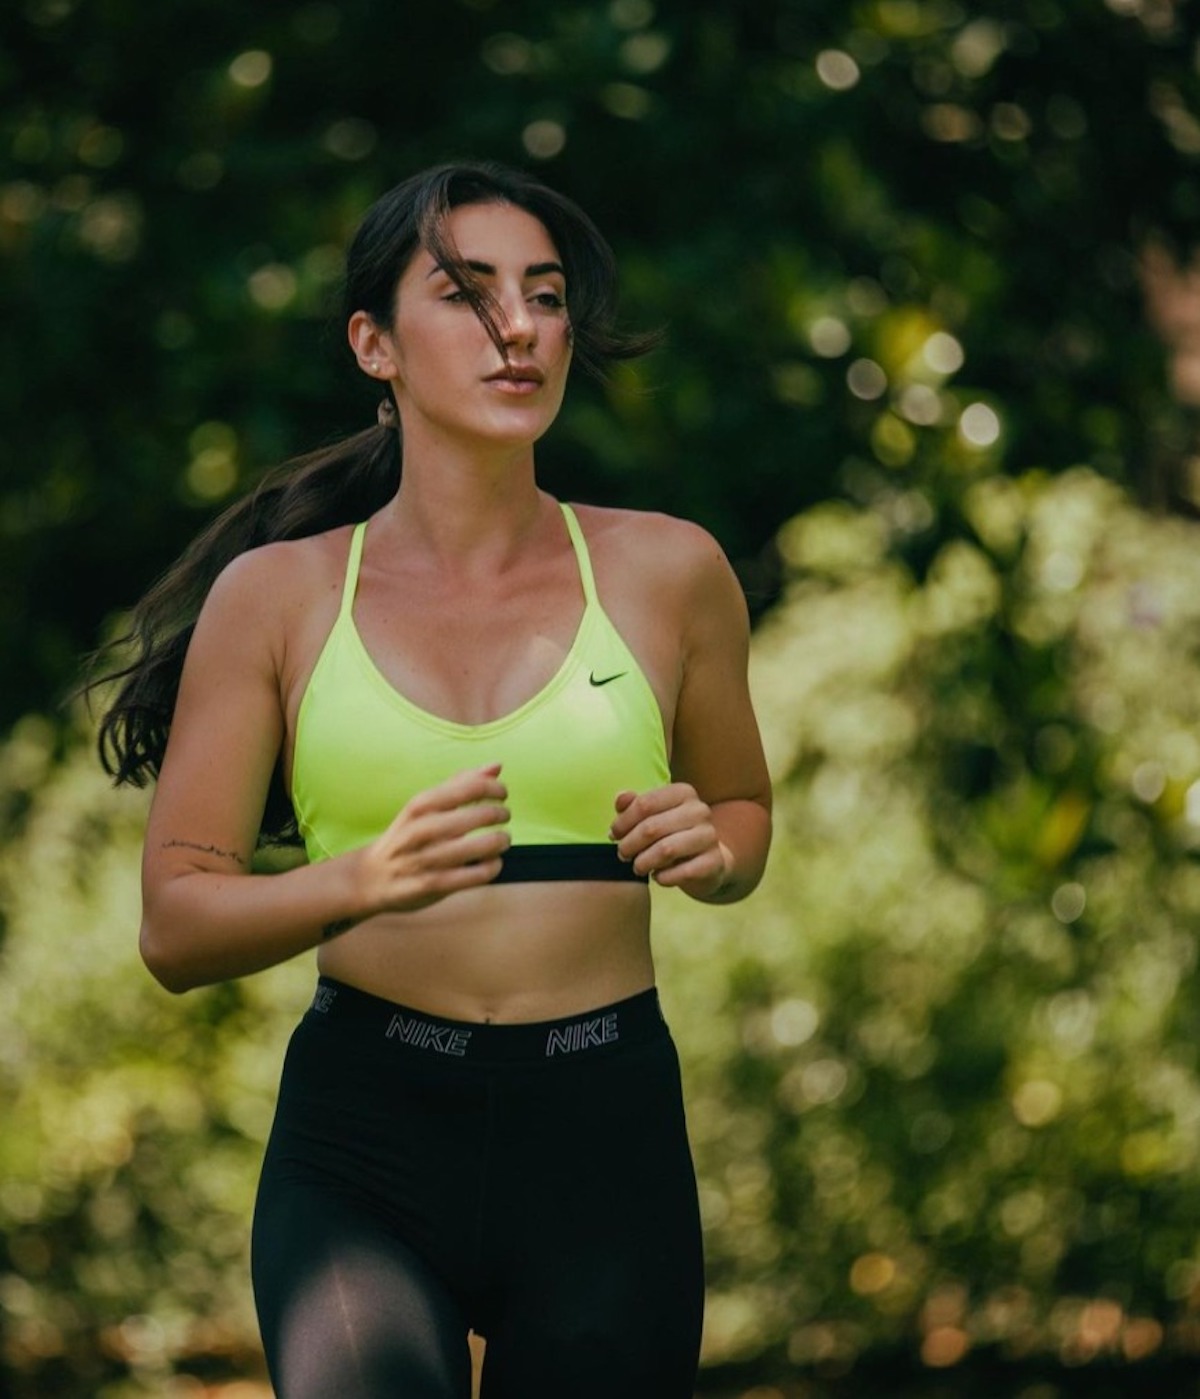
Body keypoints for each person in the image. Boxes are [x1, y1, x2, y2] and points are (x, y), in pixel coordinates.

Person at [95, 160, 772, 1399]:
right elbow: (177, 923)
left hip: (603, 1137)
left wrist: (716, 852)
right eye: (466, 294)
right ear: (374, 344)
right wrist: (357, 881)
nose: (519, 327)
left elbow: (743, 813)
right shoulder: (282, 597)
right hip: (365, 1140)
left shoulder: (671, 572)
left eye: (546, 295)